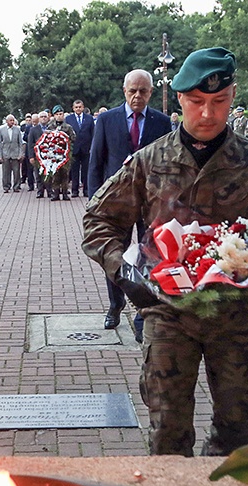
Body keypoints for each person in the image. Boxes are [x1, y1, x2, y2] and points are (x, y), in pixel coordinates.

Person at [82, 47, 248, 457]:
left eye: (219, 102)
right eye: (195, 102)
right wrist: (124, 273)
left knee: (238, 430)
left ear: (232, 96)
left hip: (234, 316)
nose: (207, 114)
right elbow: (99, 220)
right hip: (168, 313)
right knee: (168, 433)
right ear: (179, 100)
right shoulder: (149, 161)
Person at [88, 69, 171, 336]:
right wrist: (95, 202)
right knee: (114, 254)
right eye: (133, 91)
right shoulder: (106, 120)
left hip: (150, 202)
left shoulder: (162, 122)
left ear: (150, 92)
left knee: (149, 255)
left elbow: (167, 164)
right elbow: (96, 161)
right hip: (117, 202)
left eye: (143, 91)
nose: (138, 96)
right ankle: (115, 305)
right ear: (124, 91)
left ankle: (143, 310)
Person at [45, 105, 76, 201]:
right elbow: (46, 139)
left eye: (61, 114)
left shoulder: (68, 127)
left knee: (65, 174)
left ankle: (65, 193)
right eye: (57, 114)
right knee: (55, 175)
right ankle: (56, 193)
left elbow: (73, 138)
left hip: (64, 154)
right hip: (54, 154)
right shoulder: (50, 127)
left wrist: (65, 140)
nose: (59, 116)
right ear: (54, 116)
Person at [65, 99, 94, 198]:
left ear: (83, 107)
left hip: (86, 148)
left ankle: (86, 190)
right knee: (74, 171)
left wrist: (92, 146)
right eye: (76, 107)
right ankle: (74, 190)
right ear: (73, 108)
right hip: (74, 149)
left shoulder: (89, 118)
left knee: (86, 170)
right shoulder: (68, 119)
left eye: (80, 107)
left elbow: (93, 133)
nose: (78, 109)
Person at [0, 114, 24, 193]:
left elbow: (20, 143)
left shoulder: (17, 130)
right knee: (6, 172)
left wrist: (20, 154)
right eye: (10, 120)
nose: (12, 122)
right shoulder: (1, 130)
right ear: (6, 121)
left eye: (13, 120)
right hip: (5, 154)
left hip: (15, 154)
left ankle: (16, 186)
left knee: (16, 172)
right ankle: (6, 187)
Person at [28, 111, 49, 198]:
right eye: (42, 117)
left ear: (48, 118)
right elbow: (30, 143)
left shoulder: (51, 128)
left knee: (48, 174)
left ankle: (49, 191)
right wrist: (31, 156)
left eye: (45, 116)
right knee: (38, 174)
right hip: (37, 156)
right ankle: (40, 191)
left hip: (49, 155)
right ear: (38, 119)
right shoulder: (33, 129)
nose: (43, 118)